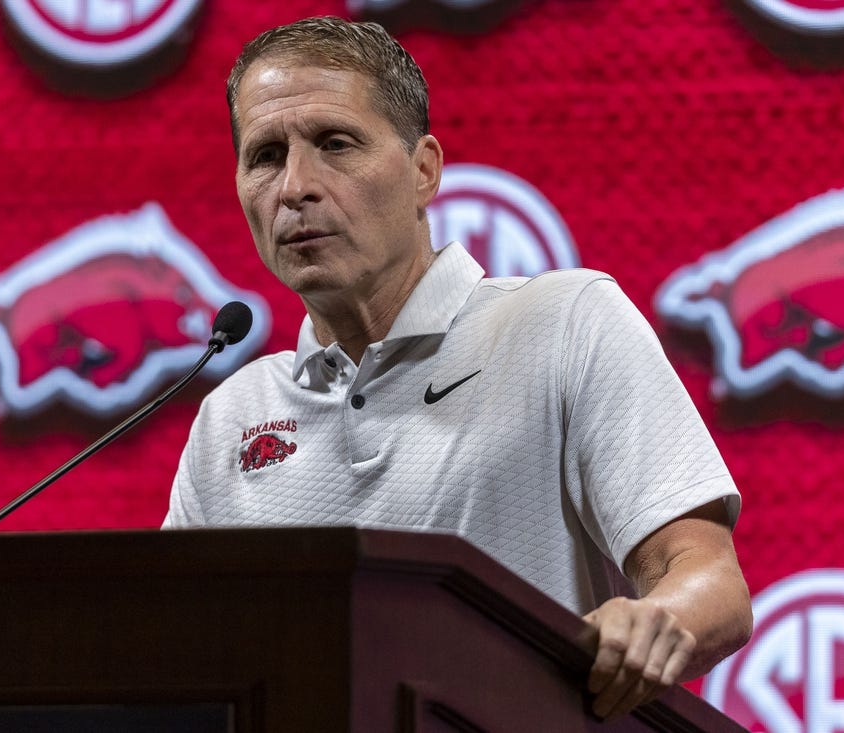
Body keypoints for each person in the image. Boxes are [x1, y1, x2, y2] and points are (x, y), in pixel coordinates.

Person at [163, 15, 751, 721]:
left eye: (334, 143)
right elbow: (176, 668)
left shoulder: (564, 321)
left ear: (423, 171)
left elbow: (709, 580)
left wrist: (656, 619)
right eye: (264, 155)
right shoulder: (232, 414)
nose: (294, 187)